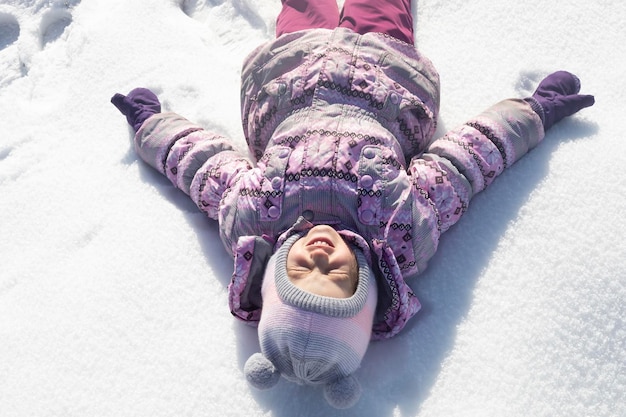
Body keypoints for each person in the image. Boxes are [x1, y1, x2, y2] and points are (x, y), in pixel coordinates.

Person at [111, 0, 594, 409]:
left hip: (290, 71)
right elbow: (466, 161)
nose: (321, 257)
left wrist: (152, 126)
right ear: (366, 291)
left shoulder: (252, 216)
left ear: (274, 278)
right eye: (339, 278)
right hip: (387, 74)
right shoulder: (402, 227)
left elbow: (200, 165)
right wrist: (533, 113)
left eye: (300, 273)